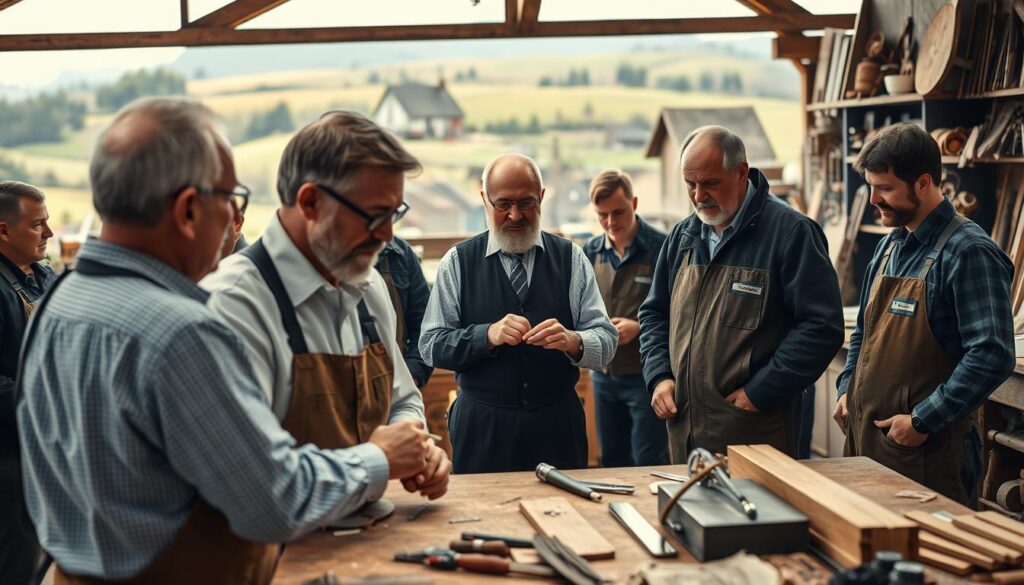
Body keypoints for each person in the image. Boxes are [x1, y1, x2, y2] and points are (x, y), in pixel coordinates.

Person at [16, 97, 434, 584]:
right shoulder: (180, 331)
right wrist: (379, 459)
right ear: (188, 210)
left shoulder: (60, 301)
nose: (236, 219)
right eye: (231, 199)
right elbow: (274, 499)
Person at [203, 111, 449, 492]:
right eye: (374, 216)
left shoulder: (368, 286)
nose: (387, 235)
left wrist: (415, 445)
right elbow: (251, 479)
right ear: (311, 202)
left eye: (394, 214)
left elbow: (402, 400)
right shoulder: (233, 305)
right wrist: (379, 460)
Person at [639, 125, 844, 462]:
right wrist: (659, 376)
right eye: (690, 184)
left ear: (741, 172)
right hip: (686, 435)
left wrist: (760, 392)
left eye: (710, 183)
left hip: (755, 432)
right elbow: (654, 313)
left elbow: (821, 327)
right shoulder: (682, 237)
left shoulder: (791, 234)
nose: (698, 196)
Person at [835, 123, 1015, 503]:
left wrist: (922, 420)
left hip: (928, 454)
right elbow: (863, 332)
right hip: (868, 444)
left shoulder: (969, 252)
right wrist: (845, 387)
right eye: (871, 186)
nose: (873, 199)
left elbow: (992, 354)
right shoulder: (889, 247)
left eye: (885, 188)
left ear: (923, 183)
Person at [420, 153, 618, 474]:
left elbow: (607, 341)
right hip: (481, 430)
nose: (515, 215)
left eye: (526, 203)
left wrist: (573, 341)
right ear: (484, 200)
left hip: (557, 428)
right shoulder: (456, 262)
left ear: (542, 197)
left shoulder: (572, 258)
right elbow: (430, 345)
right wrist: (485, 335)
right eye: (503, 204)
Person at [582, 169, 668, 467]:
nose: (610, 222)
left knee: (648, 460)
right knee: (611, 460)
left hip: (646, 376)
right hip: (603, 376)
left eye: (618, 212)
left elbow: (682, 312)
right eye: (602, 215)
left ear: (634, 203)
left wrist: (640, 328)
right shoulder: (590, 251)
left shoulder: (662, 248)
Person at [0, 181, 55, 585]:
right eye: (38, 225)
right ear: (3, 230)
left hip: (42, 450)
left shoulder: (45, 275)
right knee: (16, 563)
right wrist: (46, 402)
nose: (49, 233)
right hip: (8, 457)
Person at [372, 236, 433, 388]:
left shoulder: (401, 254)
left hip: (397, 386)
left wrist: (411, 376)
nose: (387, 232)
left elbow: (426, 329)